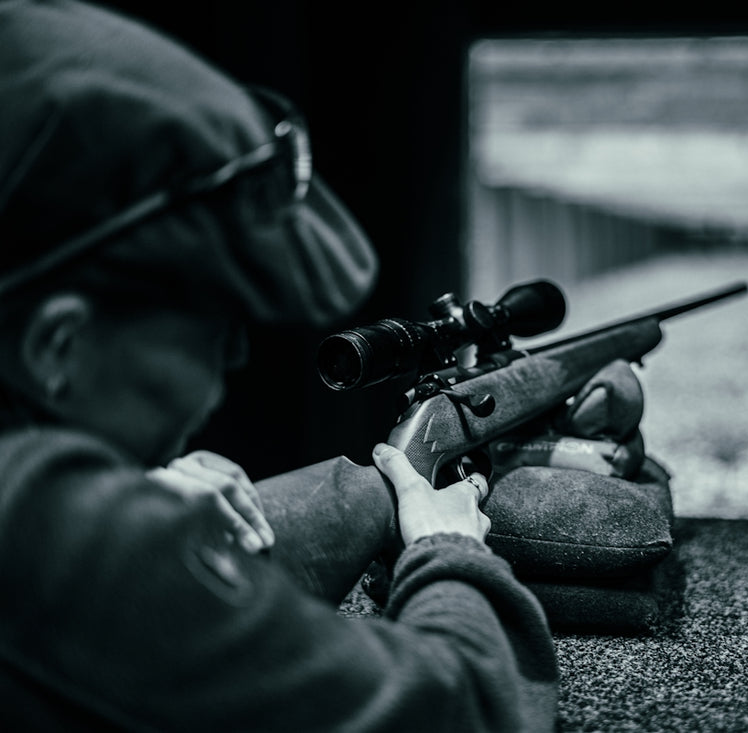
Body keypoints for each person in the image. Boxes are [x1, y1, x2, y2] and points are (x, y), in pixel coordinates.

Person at [0, 0, 560, 729]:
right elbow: (464, 706)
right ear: (57, 347)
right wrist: (447, 547)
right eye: (216, 328)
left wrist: (126, 491)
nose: (235, 355)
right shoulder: (50, 533)